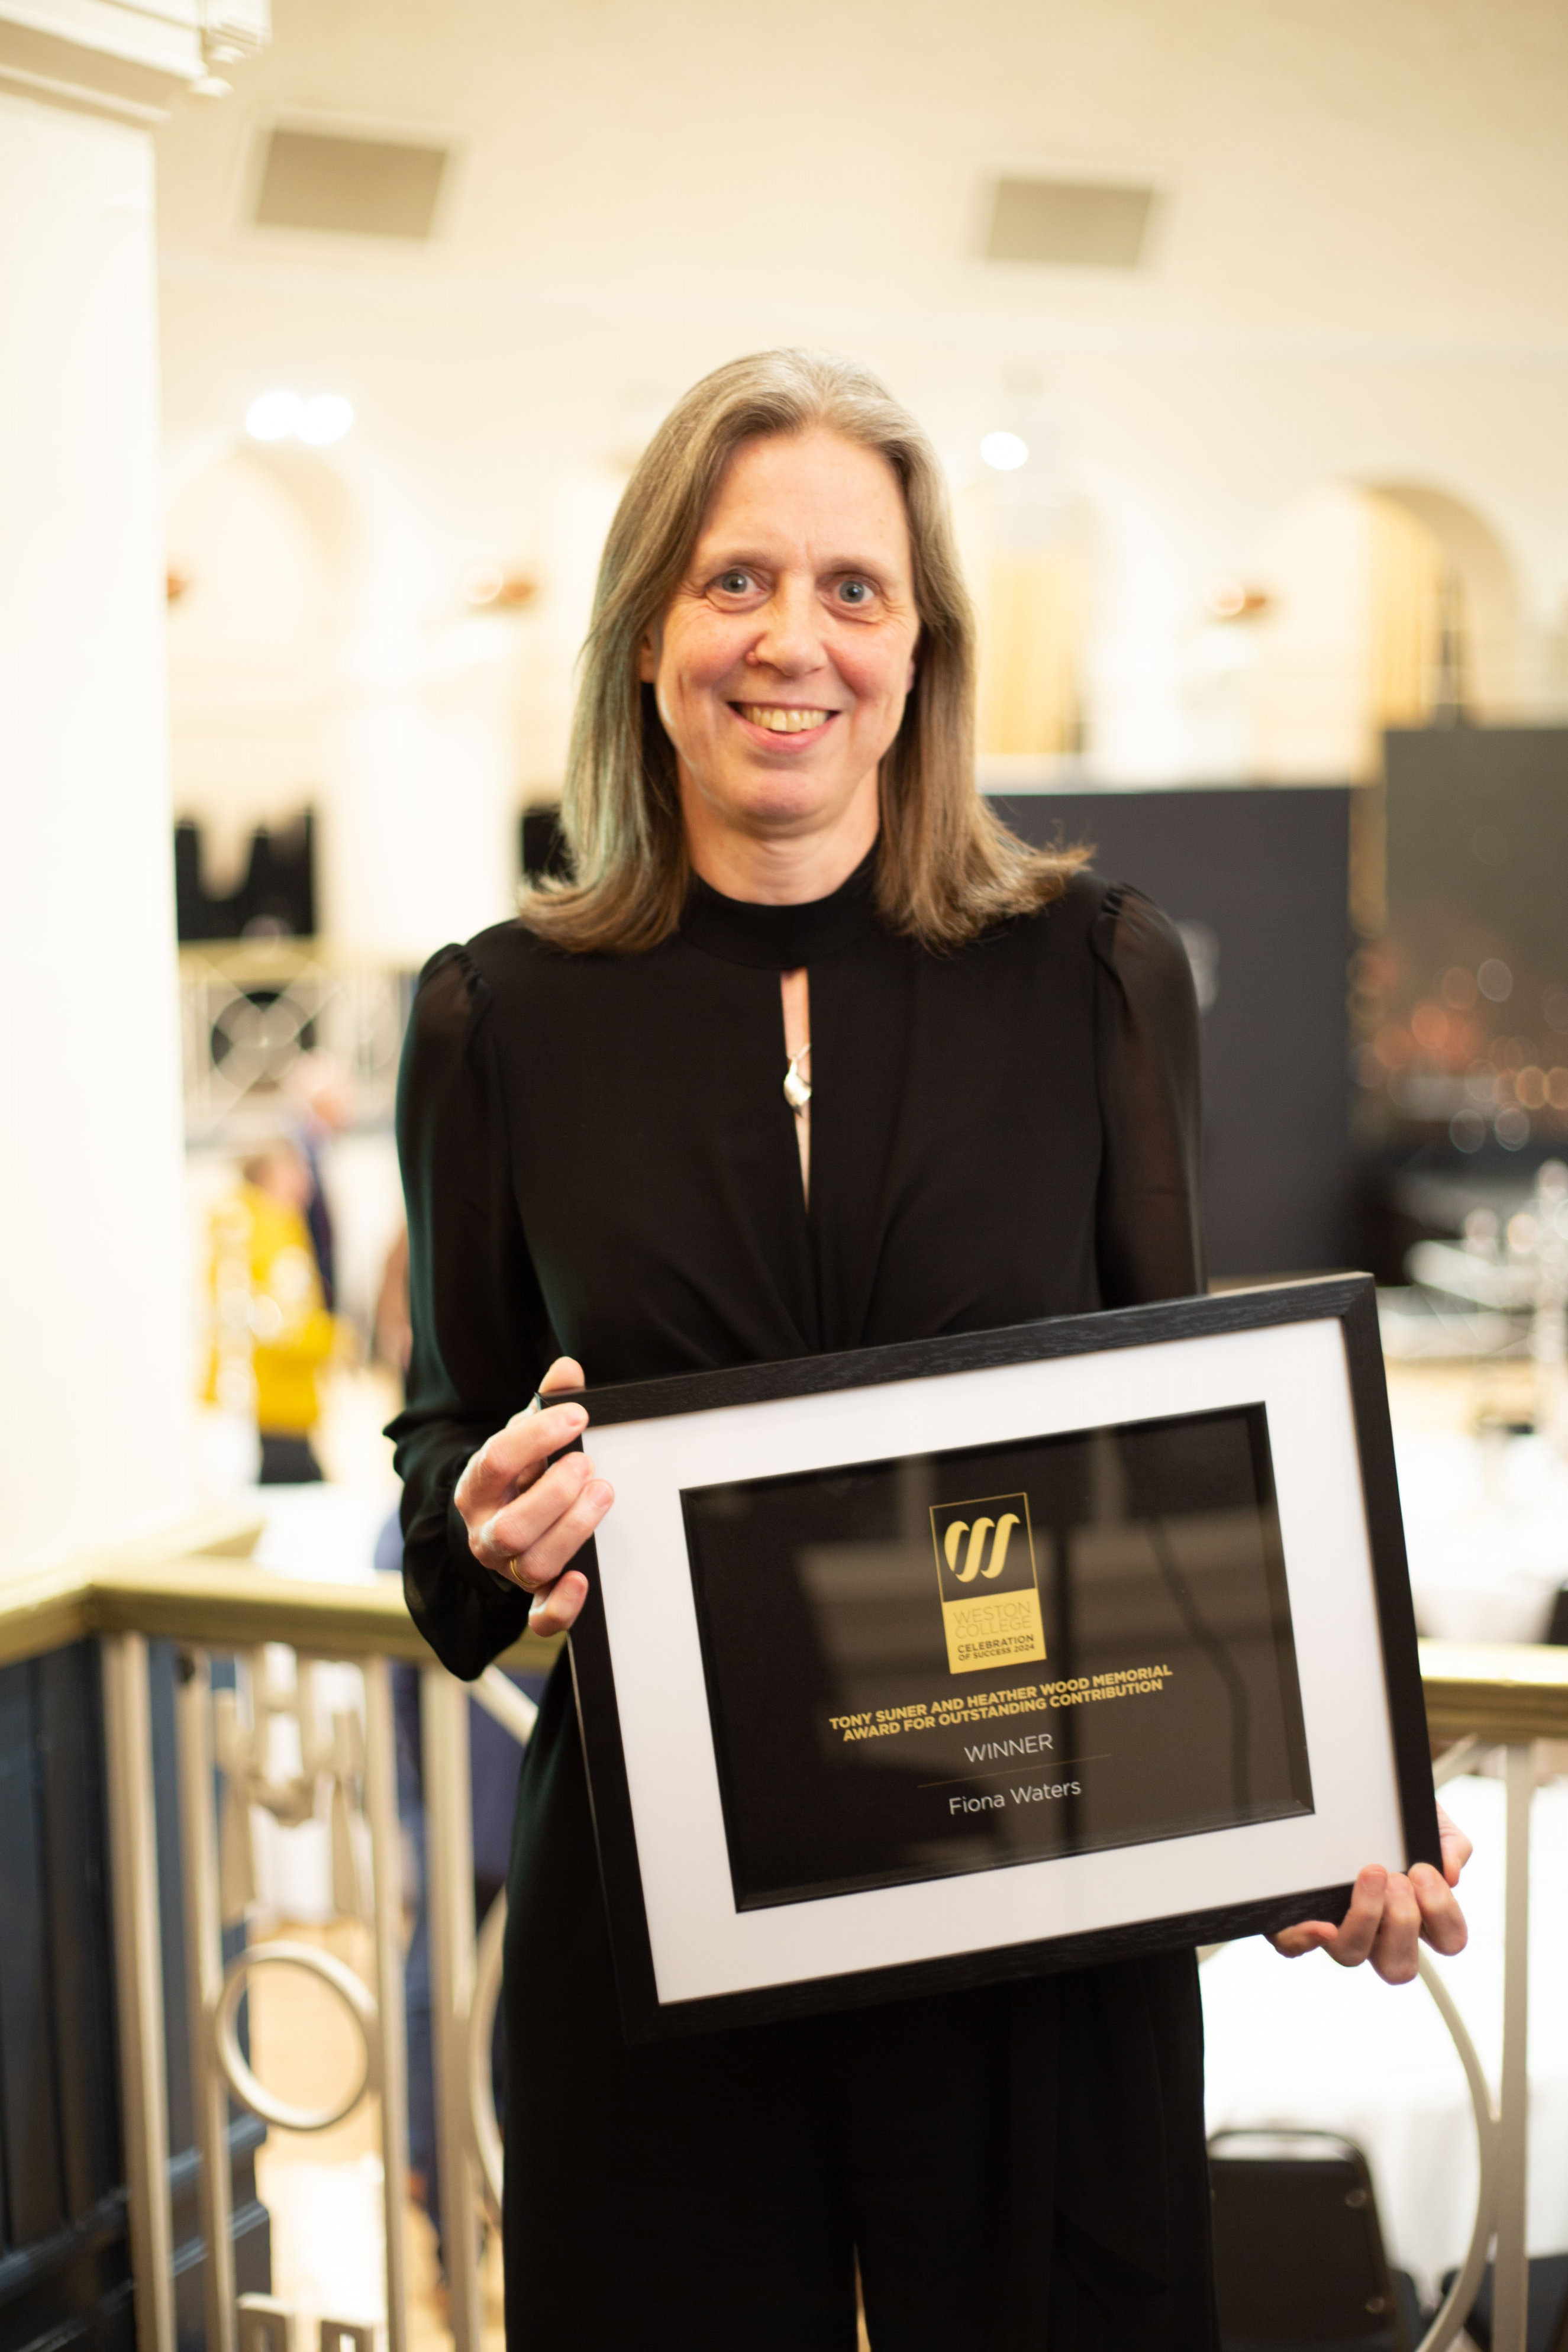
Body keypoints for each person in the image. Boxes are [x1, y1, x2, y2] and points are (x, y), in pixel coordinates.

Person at [389, 349, 1470, 2351]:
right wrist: (475, 1513)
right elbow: (449, 1481)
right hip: (663, 1917)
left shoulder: (1093, 972)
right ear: (645, 635)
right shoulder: (499, 1017)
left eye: (852, 587)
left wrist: (1324, 1818)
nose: (790, 637)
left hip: (1039, 1914)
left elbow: (1190, 1460)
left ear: (921, 647)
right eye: (732, 581)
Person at [208, 1138, 336, 1483]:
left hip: (262, 1398)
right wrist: (331, 1340)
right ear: (273, 1174)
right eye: (299, 1171)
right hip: (276, 1398)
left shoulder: (237, 1221)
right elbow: (281, 1321)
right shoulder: (270, 1228)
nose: (307, 1182)